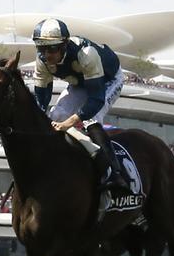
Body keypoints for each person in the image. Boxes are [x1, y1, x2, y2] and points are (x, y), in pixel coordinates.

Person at [30, 18, 128, 193]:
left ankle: (114, 173)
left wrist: (71, 122)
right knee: (56, 114)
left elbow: (96, 99)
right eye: (41, 48)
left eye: (52, 48)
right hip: (81, 82)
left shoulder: (86, 53)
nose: (47, 54)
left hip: (107, 80)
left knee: (90, 119)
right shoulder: (42, 60)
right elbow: (41, 101)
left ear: (65, 45)